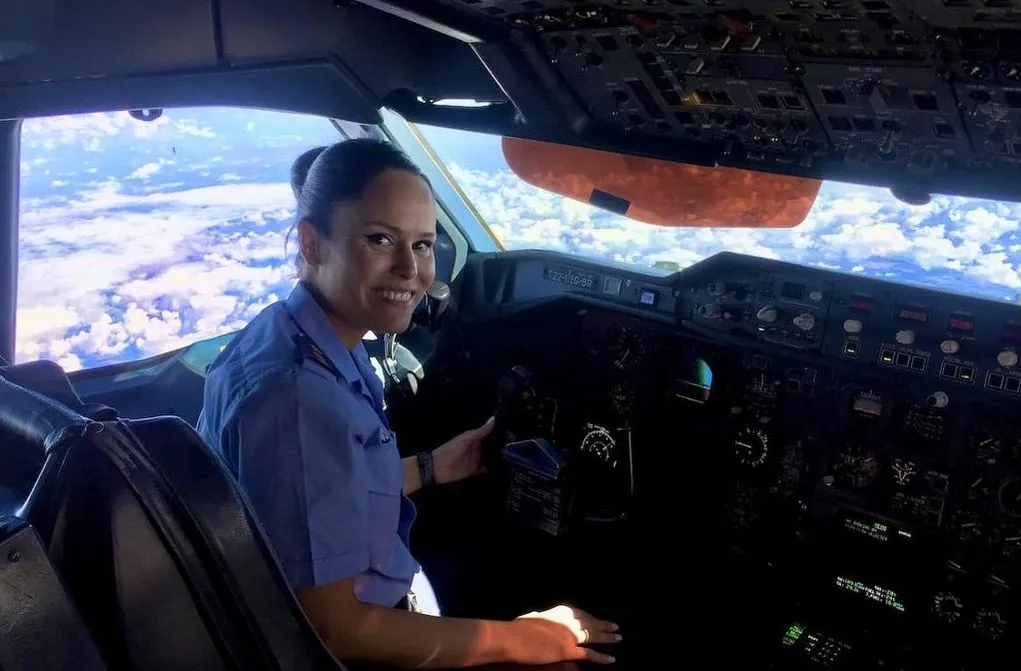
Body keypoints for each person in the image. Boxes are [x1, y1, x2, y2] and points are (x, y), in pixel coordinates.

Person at [196, 139, 621, 669]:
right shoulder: (298, 397)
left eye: (423, 245)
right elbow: (334, 630)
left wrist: (432, 466)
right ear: (311, 244)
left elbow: (318, 494)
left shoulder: (293, 335)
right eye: (380, 240)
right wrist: (521, 640)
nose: (412, 271)